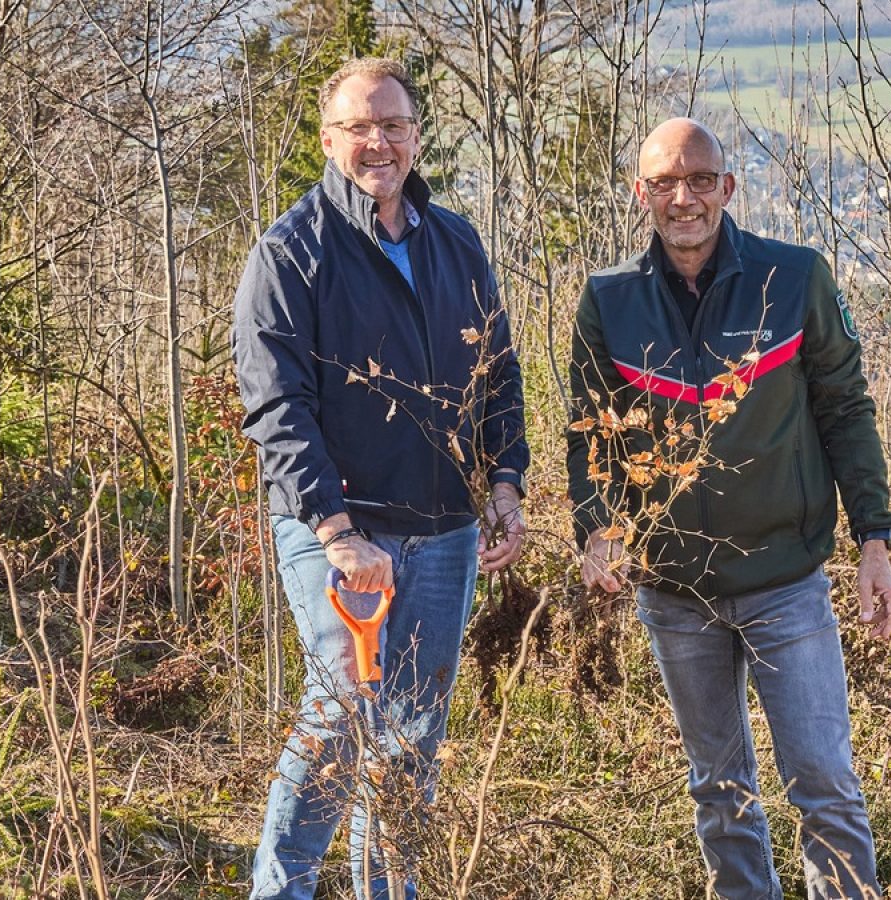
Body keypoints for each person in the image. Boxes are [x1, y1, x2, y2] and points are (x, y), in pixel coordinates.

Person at [566, 118, 891, 899]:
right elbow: (587, 435)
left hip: (785, 576)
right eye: (665, 183)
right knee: (720, 792)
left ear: (728, 188)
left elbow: (845, 411)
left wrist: (873, 540)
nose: (684, 198)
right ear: (640, 193)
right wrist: (598, 528)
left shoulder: (795, 278)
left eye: (700, 179)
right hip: (674, 593)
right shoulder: (610, 301)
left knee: (824, 783)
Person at [232, 57, 529, 900]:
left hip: (444, 530)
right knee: (338, 722)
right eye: (359, 127)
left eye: (393, 125)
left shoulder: (456, 243)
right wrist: (337, 532)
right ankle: (279, 889)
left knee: (411, 739)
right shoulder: (291, 253)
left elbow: (496, 376)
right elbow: (276, 410)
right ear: (330, 141)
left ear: (416, 137)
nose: (378, 142)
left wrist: (506, 483)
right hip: (342, 532)